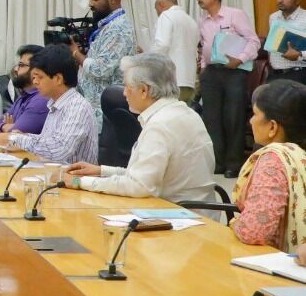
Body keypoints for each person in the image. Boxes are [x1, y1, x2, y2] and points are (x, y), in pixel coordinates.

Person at [62, 54, 214, 202]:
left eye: (127, 87)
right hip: (194, 209)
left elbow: (138, 186)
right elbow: (142, 176)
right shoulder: (185, 112)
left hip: (176, 212)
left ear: (144, 91)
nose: (124, 93)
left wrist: (79, 182)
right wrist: (101, 171)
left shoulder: (159, 125)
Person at [0, 45, 98, 165]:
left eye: (39, 77)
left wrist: (13, 138)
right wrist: (22, 137)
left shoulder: (76, 107)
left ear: (58, 79)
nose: (35, 82)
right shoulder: (54, 103)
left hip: (73, 175)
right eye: (34, 77)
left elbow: (58, 150)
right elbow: (46, 141)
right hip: (54, 171)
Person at [230, 80, 306, 252]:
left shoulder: (274, 160)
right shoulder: (299, 154)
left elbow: (255, 231)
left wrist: (236, 223)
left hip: (278, 260)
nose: (251, 121)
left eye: (255, 114)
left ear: (272, 127)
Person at [197, 0, 260, 178]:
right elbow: (204, 46)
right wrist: (203, 67)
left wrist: (240, 59)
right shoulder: (202, 21)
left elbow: (253, 40)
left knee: (233, 117)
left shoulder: (234, 15)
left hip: (233, 71)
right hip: (211, 73)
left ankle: (234, 164)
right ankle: (218, 162)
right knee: (212, 119)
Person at [72, 0, 137, 132]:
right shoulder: (108, 26)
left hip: (104, 114)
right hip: (94, 110)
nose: (90, 4)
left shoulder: (118, 28)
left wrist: (75, 53)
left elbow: (100, 69)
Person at [150, 0, 200, 103]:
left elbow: (162, 44)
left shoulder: (166, 15)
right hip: (189, 80)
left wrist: (147, 62)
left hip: (170, 80)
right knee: (182, 112)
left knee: (166, 113)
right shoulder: (191, 21)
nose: (157, 14)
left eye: (156, 10)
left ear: (161, 5)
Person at [0, 44, 48, 134]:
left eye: (21, 65)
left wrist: (9, 128)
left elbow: (18, 132)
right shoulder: (23, 97)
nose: (16, 69)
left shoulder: (41, 99)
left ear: (37, 70)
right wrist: (5, 126)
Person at [266, 0, 306, 85]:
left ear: (298, 0)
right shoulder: (273, 17)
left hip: (298, 73)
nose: (280, 0)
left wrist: (300, 54)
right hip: (274, 73)